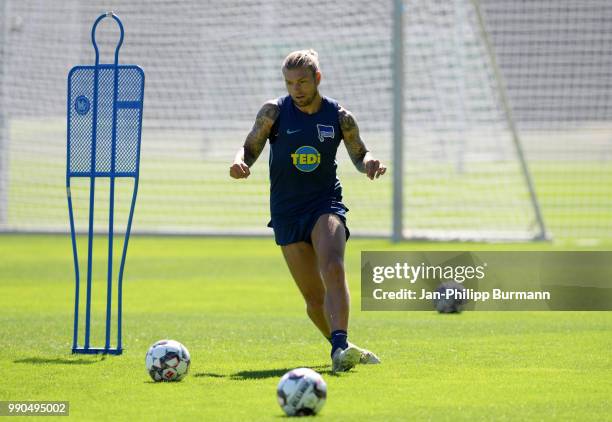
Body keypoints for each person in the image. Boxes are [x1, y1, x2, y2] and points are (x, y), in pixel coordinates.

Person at [229, 49, 386, 372]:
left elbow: (359, 152)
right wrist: (239, 161)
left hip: (324, 203)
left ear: (317, 79)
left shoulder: (339, 116)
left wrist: (368, 161)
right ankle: (340, 349)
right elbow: (249, 147)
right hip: (286, 211)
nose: (296, 89)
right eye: (289, 83)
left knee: (333, 266)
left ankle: (341, 343)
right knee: (314, 300)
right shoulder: (273, 112)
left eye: (302, 81)